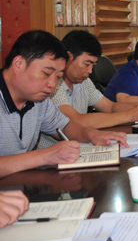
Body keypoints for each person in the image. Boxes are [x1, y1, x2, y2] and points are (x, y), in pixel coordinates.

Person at [0, 31, 127, 179]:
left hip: (20, 183)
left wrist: (93, 135)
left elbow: (65, 126)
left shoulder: (39, 100)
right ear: (18, 64)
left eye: (58, 77)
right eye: (46, 73)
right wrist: (44, 156)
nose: (52, 84)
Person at [38, 31, 138, 149]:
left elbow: (110, 107)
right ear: (68, 57)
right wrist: (129, 116)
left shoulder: (84, 82)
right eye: (87, 64)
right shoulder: (52, 86)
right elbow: (76, 120)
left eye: (93, 65)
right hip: (51, 153)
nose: (89, 71)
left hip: (80, 147)